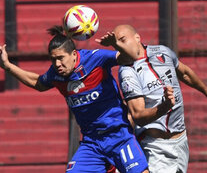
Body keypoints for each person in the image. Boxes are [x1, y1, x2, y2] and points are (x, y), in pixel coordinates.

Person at [1, 25, 155, 173]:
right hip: (92, 143)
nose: (57, 64)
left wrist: (116, 45)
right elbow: (37, 83)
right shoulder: (55, 73)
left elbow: (132, 57)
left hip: (118, 136)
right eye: (53, 59)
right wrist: (7, 66)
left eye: (61, 58)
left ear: (74, 54)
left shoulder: (96, 58)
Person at [96, 24, 207, 173]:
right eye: (116, 44)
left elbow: (185, 73)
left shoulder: (162, 51)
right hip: (157, 147)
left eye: (122, 40)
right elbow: (139, 116)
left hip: (181, 141)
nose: (119, 46)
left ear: (137, 37)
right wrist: (165, 106)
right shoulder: (127, 71)